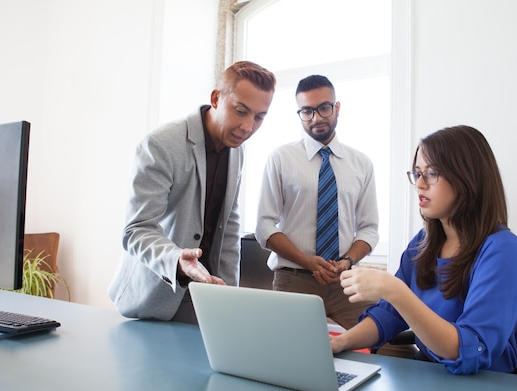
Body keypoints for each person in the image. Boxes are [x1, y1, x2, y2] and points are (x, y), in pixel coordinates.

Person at [330, 125, 517, 374]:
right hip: (433, 379)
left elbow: (470, 350)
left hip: (484, 388)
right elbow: (389, 315)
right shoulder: (424, 242)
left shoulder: (502, 250)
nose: (420, 185)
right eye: (417, 173)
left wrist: (394, 290)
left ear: (468, 178)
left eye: (432, 174)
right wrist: (340, 342)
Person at [108, 61, 276, 322]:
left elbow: (229, 225)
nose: (247, 127)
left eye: (259, 117)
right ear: (216, 98)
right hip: (156, 294)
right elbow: (136, 230)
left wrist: (230, 296)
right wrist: (177, 260)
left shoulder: (238, 151)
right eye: (241, 111)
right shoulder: (160, 144)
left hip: (206, 297)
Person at [255, 74, 379, 331]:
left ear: (337, 108)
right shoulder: (281, 158)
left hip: (345, 279)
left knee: (383, 342)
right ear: (299, 113)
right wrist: (307, 261)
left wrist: (346, 262)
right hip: (295, 278)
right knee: (290, 355)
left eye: (324, 108)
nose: (317, 118)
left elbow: (369, 228)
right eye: (307, 111)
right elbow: (264, 226)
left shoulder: (361, 164)